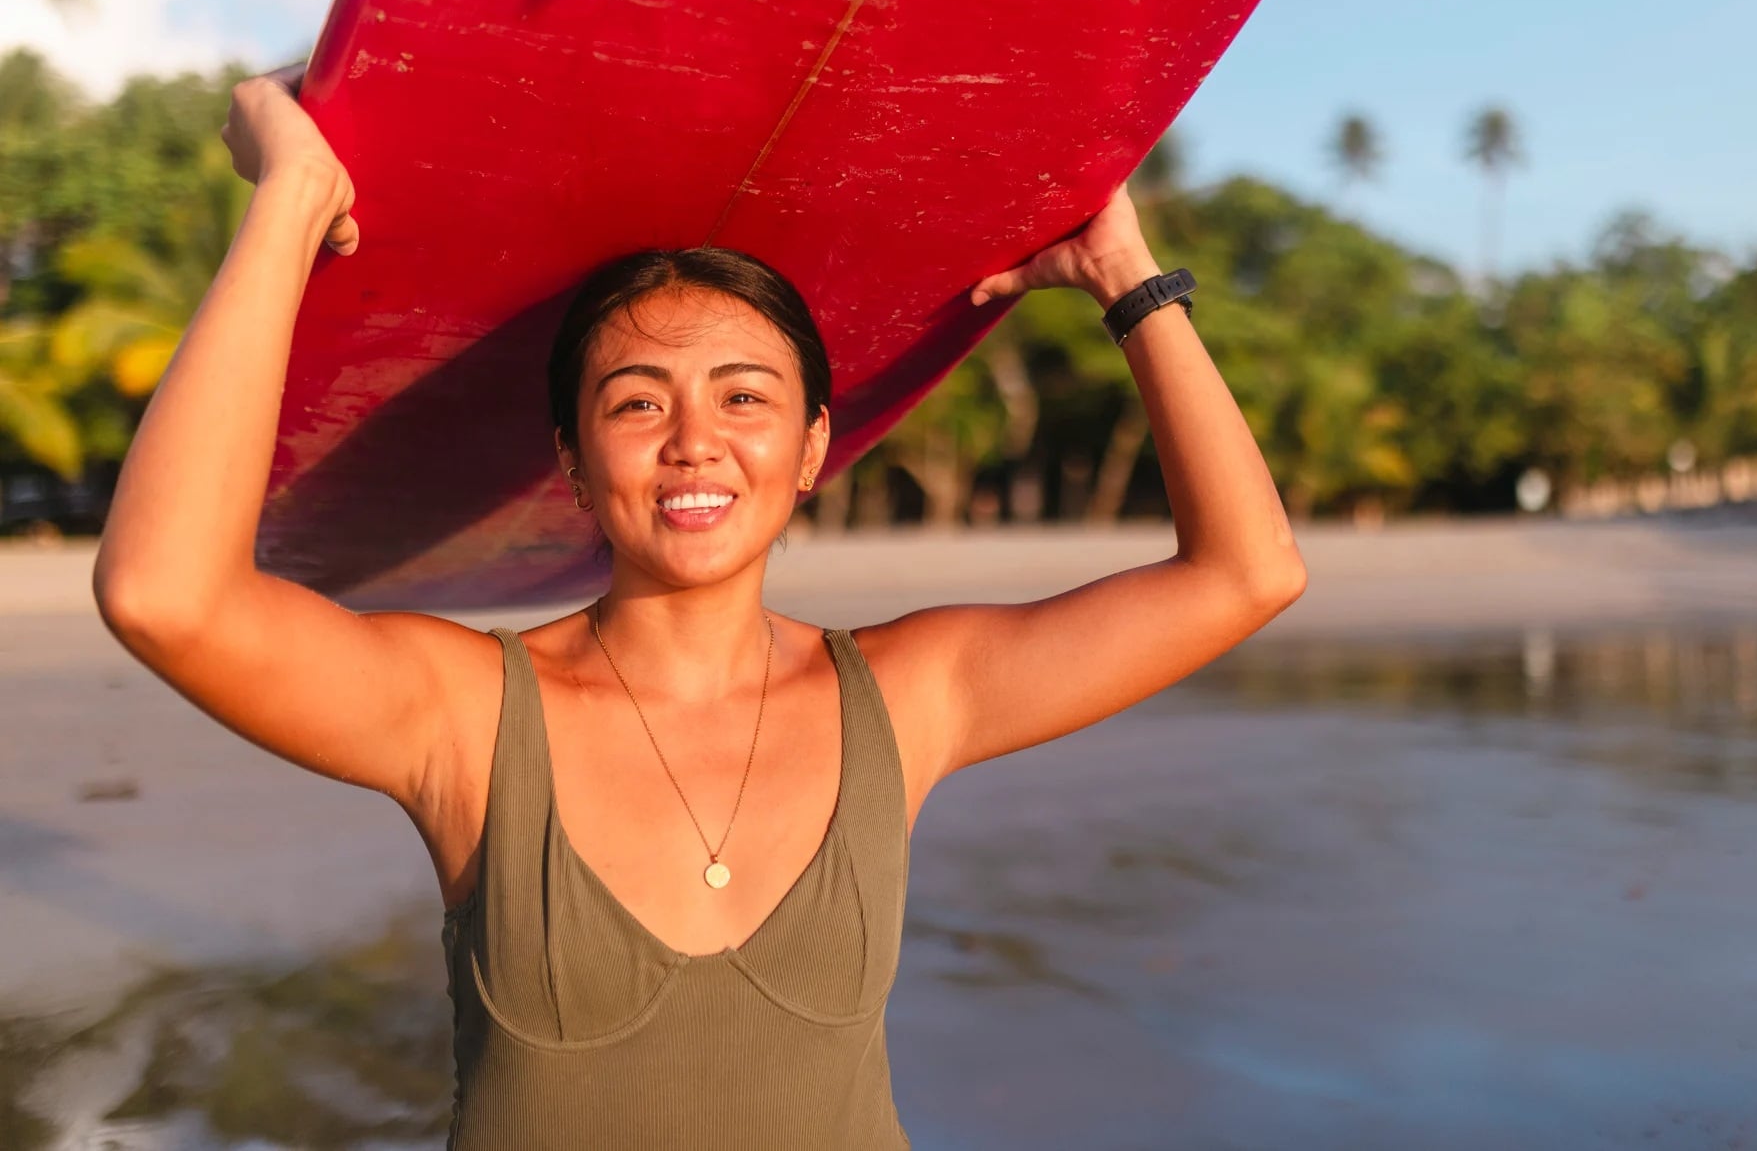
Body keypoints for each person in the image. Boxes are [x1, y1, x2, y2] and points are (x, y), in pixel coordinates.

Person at [91, 66, 1307, 1148]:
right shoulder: (461, 716)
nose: (693, 445)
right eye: (635, 404)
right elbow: (162, 592)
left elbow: (1245, 572)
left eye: (743, 398)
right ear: (572, 460)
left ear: (814, 444)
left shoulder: (908, 694)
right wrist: (291, 202)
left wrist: (1127, 280)